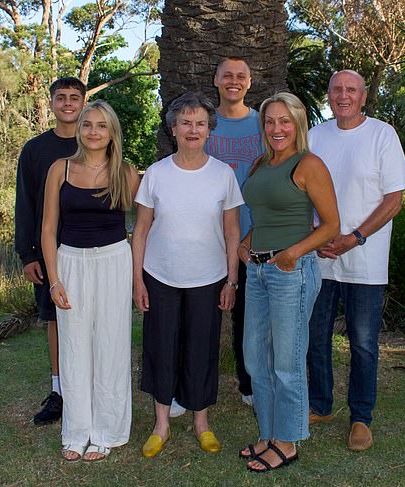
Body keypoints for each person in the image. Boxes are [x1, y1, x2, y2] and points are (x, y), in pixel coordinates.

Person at [132, 91, 244, 458]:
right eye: (185, 123)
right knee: (161, 349)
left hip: (208, 278)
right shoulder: (157, 174)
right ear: (174, 129)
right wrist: (137, 281)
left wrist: (231, 280)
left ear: (209, 130)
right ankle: (161, 425)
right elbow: (142, 231)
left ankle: (202, 423)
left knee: (201, 350)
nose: (193, 130)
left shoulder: (223, 175)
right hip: (160, 276)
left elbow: (232, 232)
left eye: (199, 123)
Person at [306, 70, 405, 452]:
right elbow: (301, 192)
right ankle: (319, 404)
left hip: (365, 259)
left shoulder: (382, 135)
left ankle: (360, 418)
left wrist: (355, 237)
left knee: (363, 343)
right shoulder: (315, 136)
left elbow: (393, 200)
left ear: (364, 97)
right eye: (336, 89)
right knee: (315, 336)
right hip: (320, 257)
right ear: (329, 96)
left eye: (351, 90)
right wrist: (314, 236)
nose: (343, 95)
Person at [239, 92, 339, 473]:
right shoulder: (261, 163)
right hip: (258, 271)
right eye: (270, 121)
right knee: (255, 358)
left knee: (287, 361)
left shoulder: (309, 164)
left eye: (284, 121)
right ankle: (267, 434)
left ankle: (288, 441)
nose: (276, 128)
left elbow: (331, 225)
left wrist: (292, 253)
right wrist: (245, 246)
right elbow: (261, 215)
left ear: (298, 123)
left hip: (289, 274)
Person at [41, 100, 140, 461]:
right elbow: (49, 228)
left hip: (113, 261)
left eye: (102, 125)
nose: (94, 132)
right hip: (70, 263)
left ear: (112, 132)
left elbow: (146, 223)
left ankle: (107, 432)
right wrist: (54, 280)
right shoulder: (60, 169)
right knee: (74, 346)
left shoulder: (126, 174)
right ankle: (77, 431)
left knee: (111, 346)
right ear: (79, 129)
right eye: (87, 125)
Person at [14, 77, 86, 425]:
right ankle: (59, 391)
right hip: (49, 252)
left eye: (75, 97)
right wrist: (27, 254)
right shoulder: (35, 150)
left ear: (84, 103)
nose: (68, 103)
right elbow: (25, 203)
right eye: (62, 97)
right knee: (56, 320)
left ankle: (87, 389)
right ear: (52, 102)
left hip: (92, 248)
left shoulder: (97, 142)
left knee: (90, 318)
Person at [204, 56, 263, 408]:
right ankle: (193, 387)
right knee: (202, 317)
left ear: (249, 82)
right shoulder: (204, 123)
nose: (233, 81)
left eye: (241, 76)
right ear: (216, 79)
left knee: (249, 319)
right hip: (208, 239)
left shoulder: (263, 123)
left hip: (253, 238)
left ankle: (249, 385)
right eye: (227, 75)